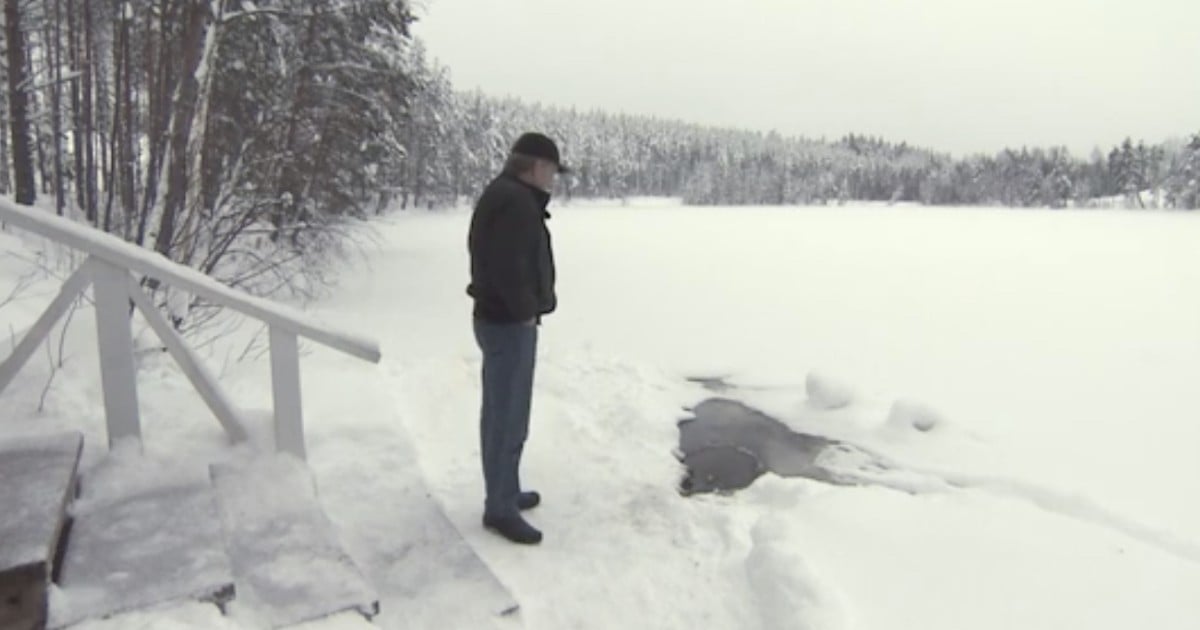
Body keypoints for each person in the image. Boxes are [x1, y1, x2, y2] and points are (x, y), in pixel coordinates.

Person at [467, 132, 568, 545]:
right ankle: (499, 508)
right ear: (536, 166)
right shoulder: (514, 203)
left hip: (504, 320)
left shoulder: (510, 197)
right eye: (552, 170)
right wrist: (526, 311)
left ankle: (506, 490)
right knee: (506, 417)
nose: (554, 179)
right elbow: (507, 266)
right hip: (508, 324)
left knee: (507, 412)